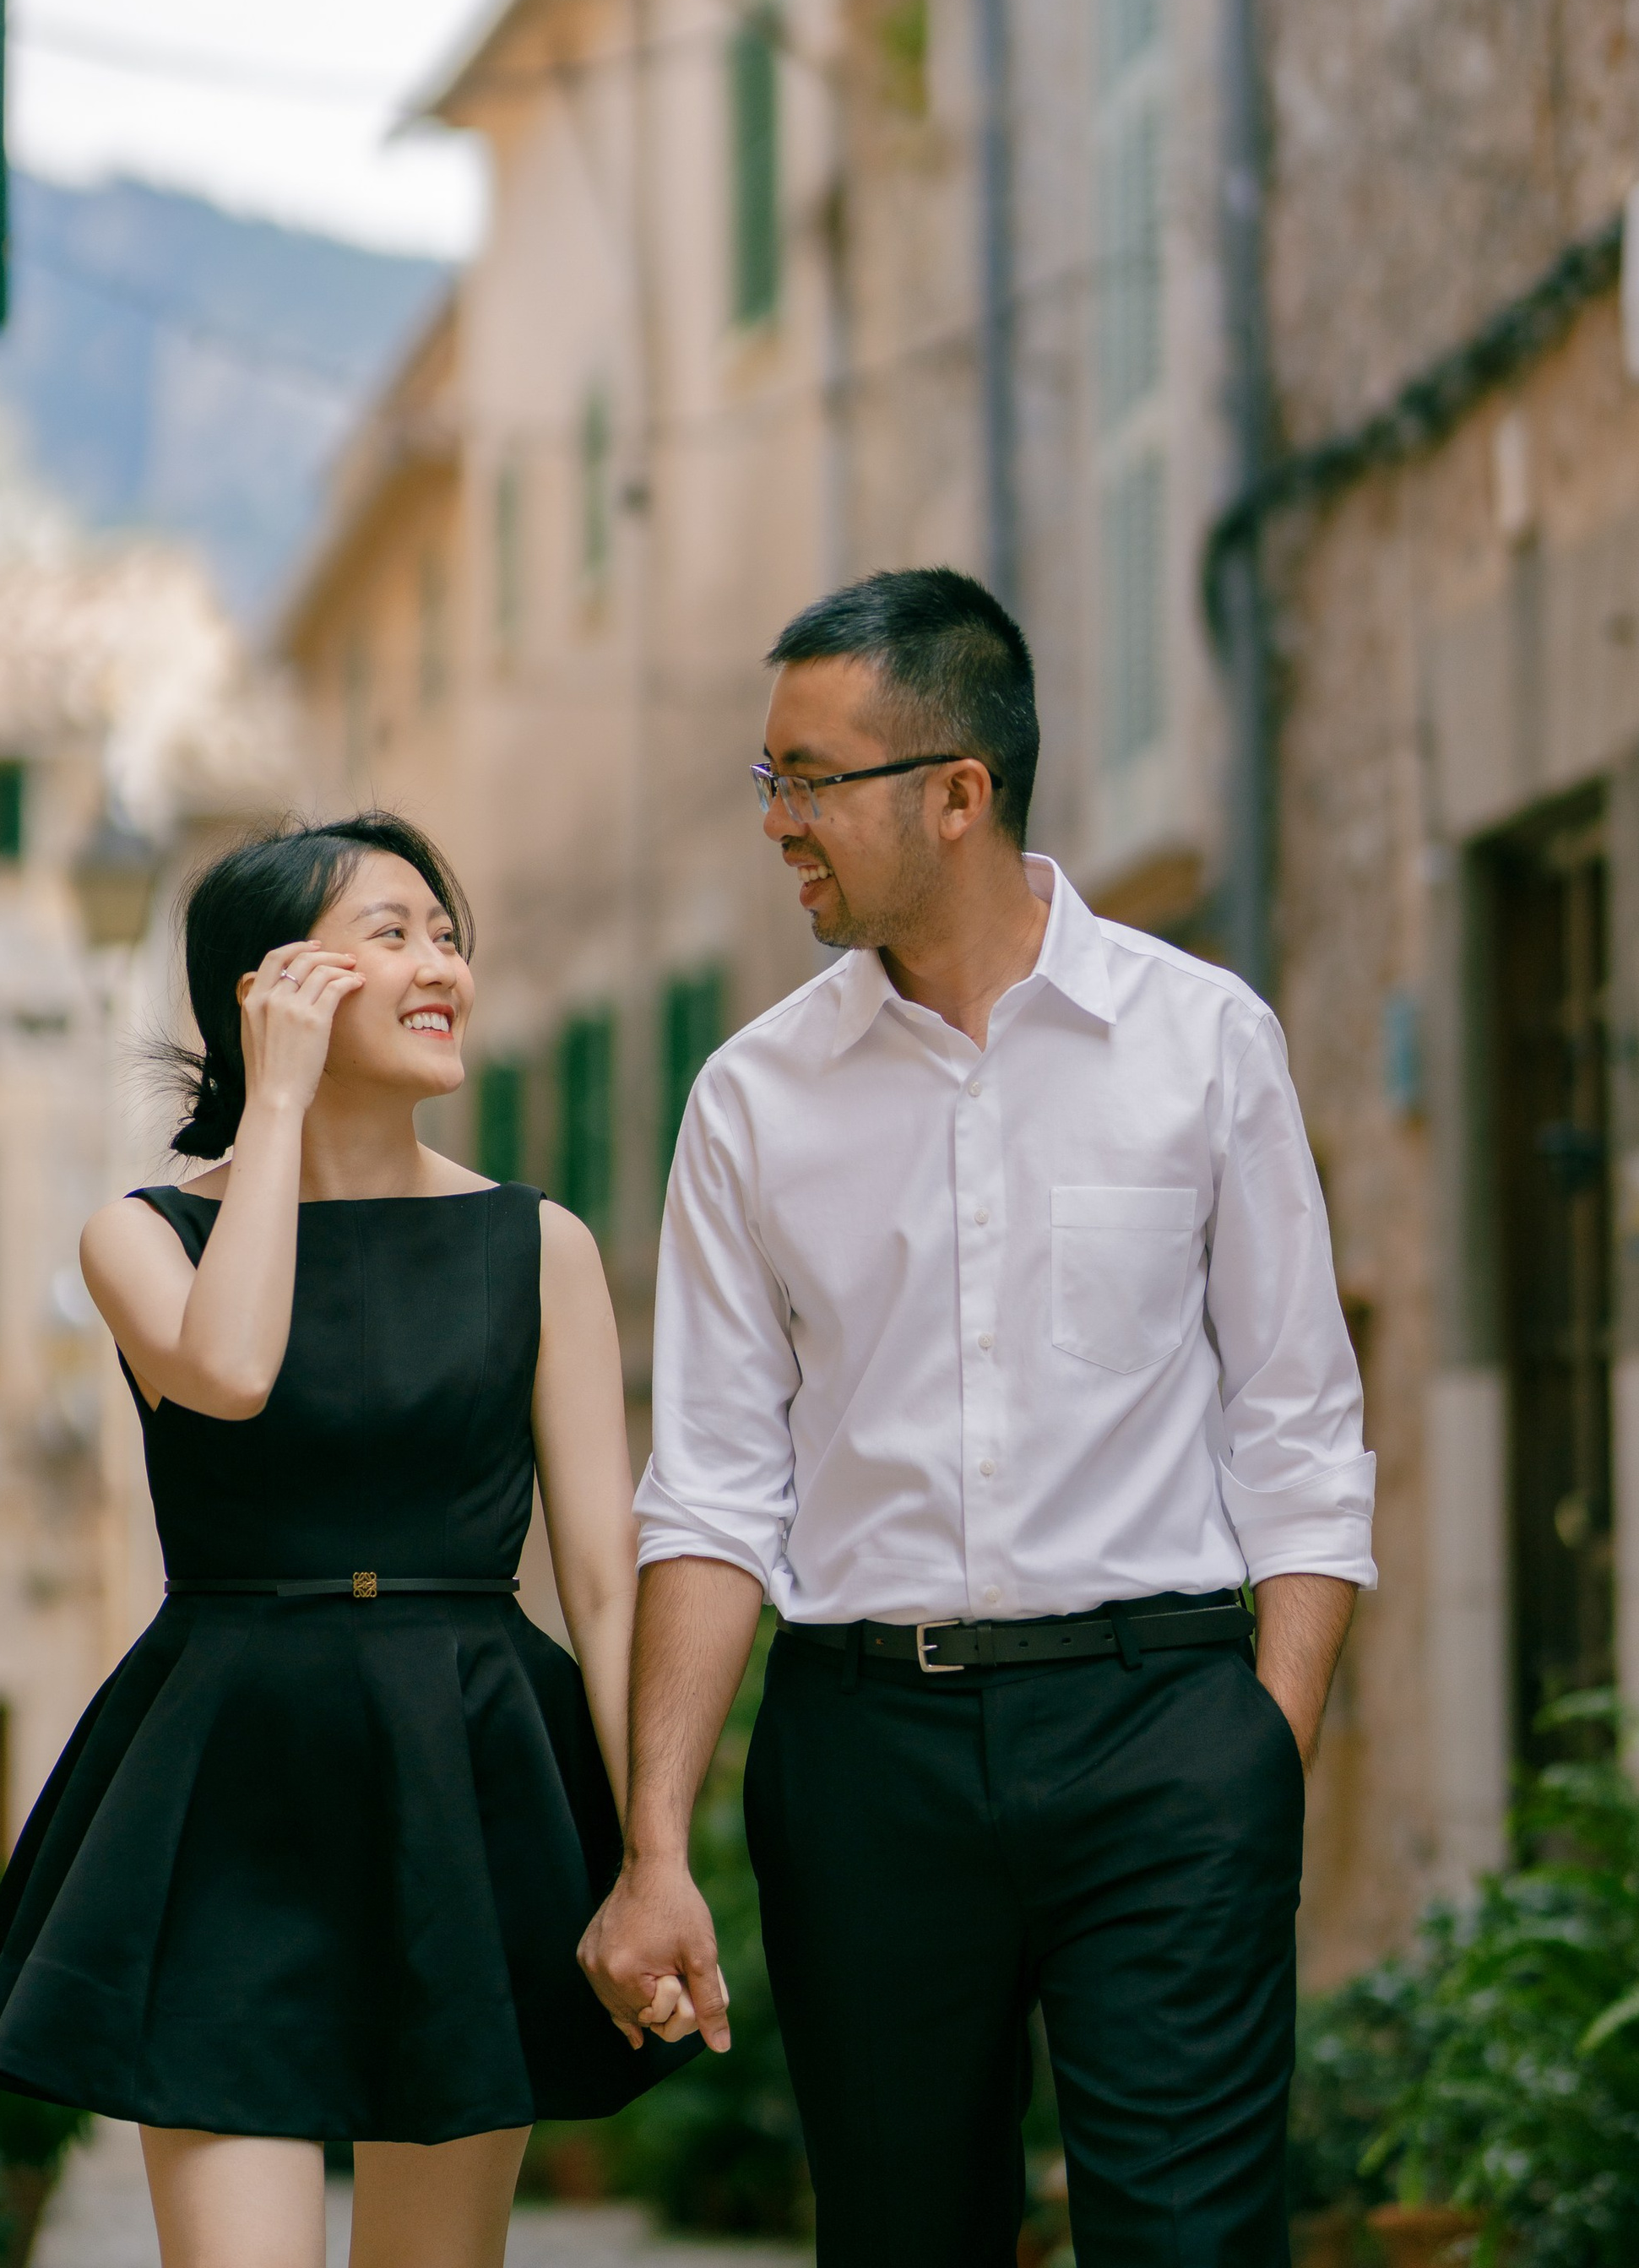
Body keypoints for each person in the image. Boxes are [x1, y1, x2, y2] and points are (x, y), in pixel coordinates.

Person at [579, 569, 1376, 2268]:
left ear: (957, 792)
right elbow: (711, 1493)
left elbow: (1299, 1429)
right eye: (767, 781)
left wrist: (1256, 1749)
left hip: (1161, 1730)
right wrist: (656, 1842)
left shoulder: (1201, 1044)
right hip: (866, 1753)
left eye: (811, 778)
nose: (777, 822)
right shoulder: (749, 1101)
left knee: (1187, 2245)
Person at [0, 811, 697, 2268]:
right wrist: (276, 1113)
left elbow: (608, 1589)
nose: (443, 967)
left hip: (467, 1772)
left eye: (446, 934)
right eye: (393, 932)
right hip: (230, 1776)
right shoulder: (142, 1234)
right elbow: (227, 1377)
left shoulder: (535, 1247)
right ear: (274, 987)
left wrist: (651, 1859)